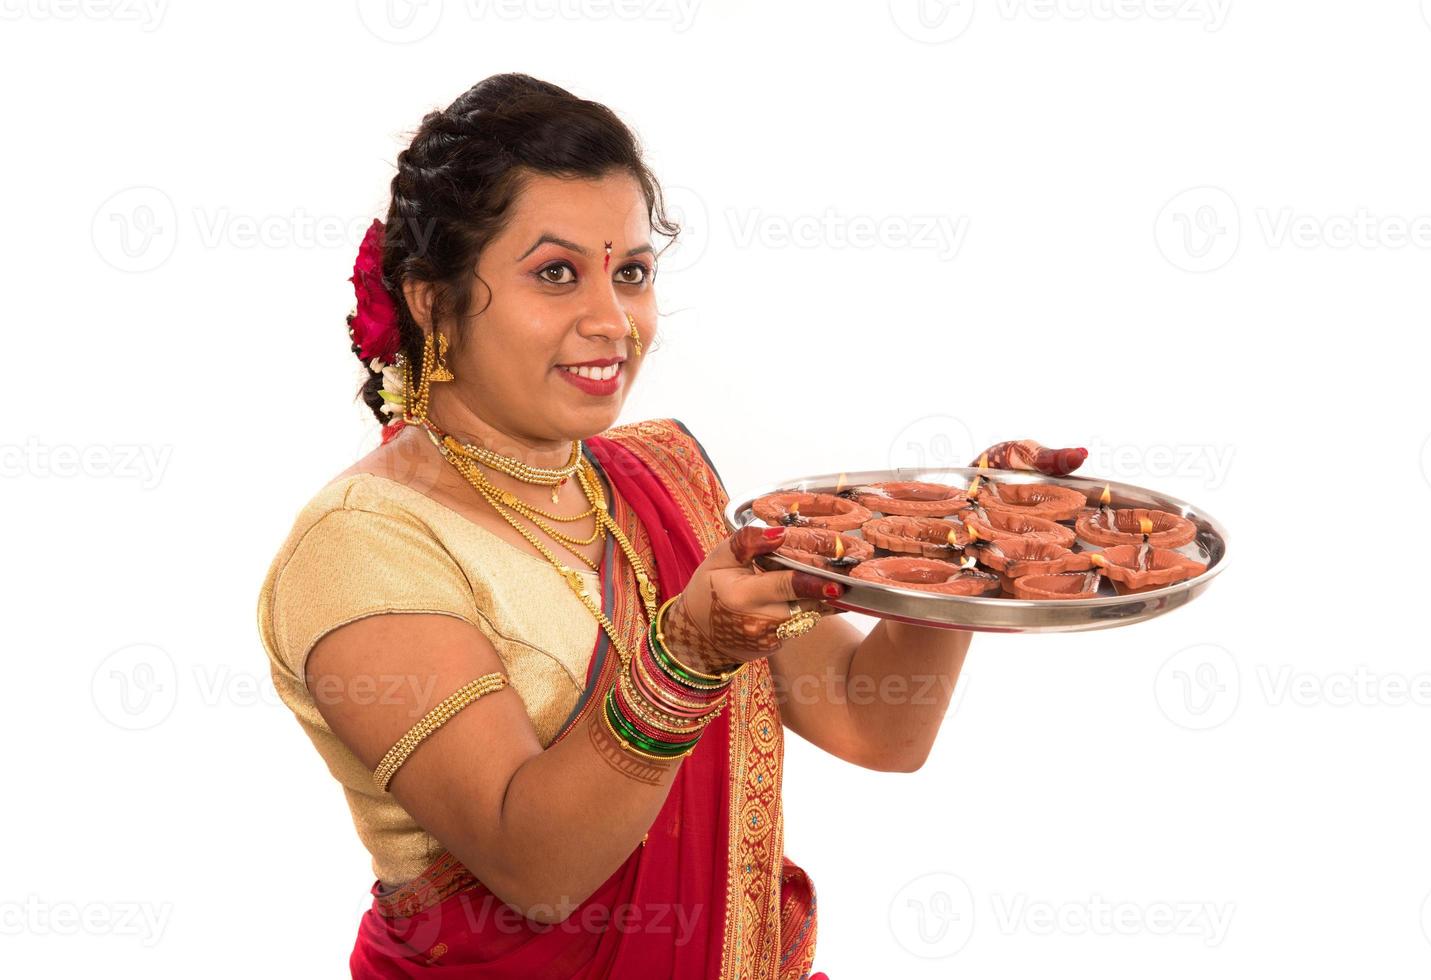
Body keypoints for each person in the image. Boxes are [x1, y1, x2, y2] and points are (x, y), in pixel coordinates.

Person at [256, 72, 973, 979]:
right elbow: (537, 866)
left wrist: (958, 553)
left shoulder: (657, 481)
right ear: (432, 300)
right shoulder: (365, 545)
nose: (613, 321)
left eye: (631, 273)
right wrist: (682, 659)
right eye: (556, 274)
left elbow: (879, 727)